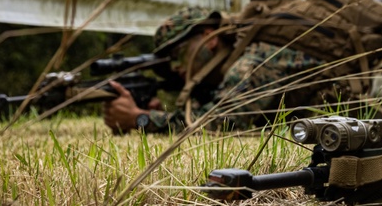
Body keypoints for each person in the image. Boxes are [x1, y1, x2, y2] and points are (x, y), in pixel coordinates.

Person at [103, 7, 330, 133]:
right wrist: (153, 110)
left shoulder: (249, 64)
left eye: (179, 53)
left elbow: (217, 126)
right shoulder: (225, 69)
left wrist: (139, 118)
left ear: (209, 38)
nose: (175, 66)